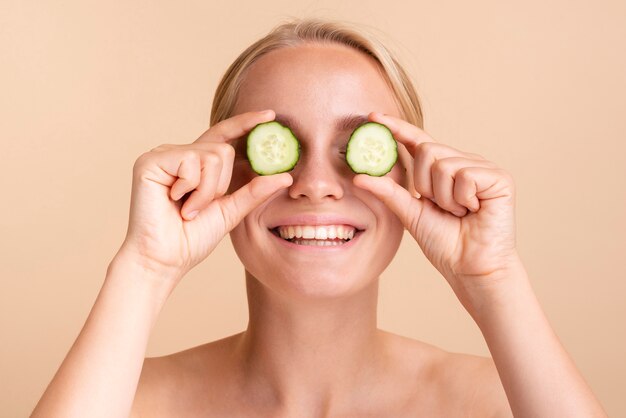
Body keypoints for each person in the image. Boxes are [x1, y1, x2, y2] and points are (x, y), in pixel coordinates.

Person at [31, 17, 607, 418]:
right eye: (278, 144)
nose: (314, 186)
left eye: (355, 145)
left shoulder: (498, 401)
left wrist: (494, 278)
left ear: (413, 180)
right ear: (221, 173)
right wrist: (146, 268)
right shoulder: (129, 401)